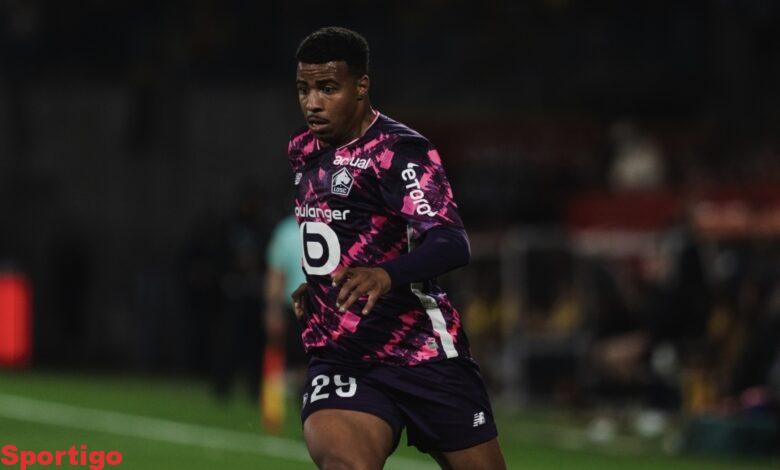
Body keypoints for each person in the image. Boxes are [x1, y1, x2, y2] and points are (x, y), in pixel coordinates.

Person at [287, 27, 506, 469]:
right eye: (304, 89)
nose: (313, 103)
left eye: (327, 88)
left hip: (422, 353)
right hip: (342, 357)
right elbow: (339, 228)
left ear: (361, 86)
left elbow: (451, 242)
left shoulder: (399, 152)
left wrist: (386, 275)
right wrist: (320, 283)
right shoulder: (303, 149)